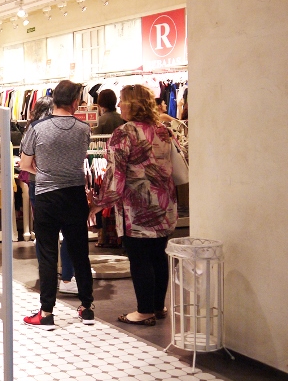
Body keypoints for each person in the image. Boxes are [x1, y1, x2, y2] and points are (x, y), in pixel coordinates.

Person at [90, 85, 177, 326]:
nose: (119, 105)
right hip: (164, 202)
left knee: (139, 258)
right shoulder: (162, 130)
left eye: (123, 101)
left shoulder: (124, 133)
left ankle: (144, 311)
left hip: (137, 206)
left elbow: (115, 174)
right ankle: (158, 306)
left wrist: (99, 204)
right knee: (158, 255)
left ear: (133, 104)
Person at [20, 80, 94, 329]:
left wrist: (43, 172)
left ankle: (47, 312)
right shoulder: (84, 129)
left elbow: (25, 164)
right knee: (80, 252)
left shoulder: (37, 128)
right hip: (75, 195)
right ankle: (87, 308)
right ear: (75, 101)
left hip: (47, 196)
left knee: (47, 254)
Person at [23, 97, 78, 295]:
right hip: (62, 186)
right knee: (69, 232)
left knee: (44, 235)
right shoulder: (60, 130)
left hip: (37, 185)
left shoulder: (31, 130)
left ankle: (48, 277)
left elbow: (25, 164)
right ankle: (67, 278)